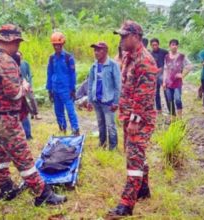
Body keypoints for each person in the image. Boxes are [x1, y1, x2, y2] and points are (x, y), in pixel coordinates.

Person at [0, 24, 67, 205]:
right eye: (18, 42)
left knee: (0, 153)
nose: (19, 46)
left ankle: (5, 187)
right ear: (10, 41)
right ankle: (42, 193)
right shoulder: (5, 60)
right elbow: (13, 92)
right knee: (23, 156)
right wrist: (24, 87)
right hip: (6, 117)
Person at [108, 20, 158, 217]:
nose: (120, 40)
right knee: (135, 154)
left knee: (133, 160)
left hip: (139, 119)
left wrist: (135, 121)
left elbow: (144, 95)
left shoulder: (145, 61)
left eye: (124, 36)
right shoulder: (129, 57)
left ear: (136, 37)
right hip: (128, 115)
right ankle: (143, 189)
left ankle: (126, 204)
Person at [86, 42, 121, 150]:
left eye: (99, 50)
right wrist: (89, 100)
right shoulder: (94, 66)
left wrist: (115, 102)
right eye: (95, 50)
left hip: (108, 101)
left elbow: (118, 85)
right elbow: (90, 83)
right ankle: (102, 143)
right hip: (97, 100)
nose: (96, 52)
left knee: (110, 125)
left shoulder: (113, 65)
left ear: (105, 51)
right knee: (100, 124)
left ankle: (113, 147)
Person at [46, 32, 80, 135]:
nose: (56, 47)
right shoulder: (52, 58)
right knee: (58, 111)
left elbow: (72, 74)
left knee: (70, 110)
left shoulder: (68, 57)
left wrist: (73, 89)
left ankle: (75, 129)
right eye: (54, 45)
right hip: (55, 89)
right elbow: (49, 73)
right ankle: (62, 128)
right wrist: (49, 89)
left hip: (66, 89)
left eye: (58, 45)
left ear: (62, 44)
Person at [163, 39, 192, 121]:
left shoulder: (182, 56)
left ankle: (180, 118)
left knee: (178, 99)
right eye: (172, 44)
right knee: (170, 100)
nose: (174, 46)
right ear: (169, 46)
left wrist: (182, 75)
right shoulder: (166, 57)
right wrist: (164, 82)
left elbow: (190, 66)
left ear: (177, 46)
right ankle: (173, 117)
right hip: (168, 82)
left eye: (176, 44)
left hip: (177, 83)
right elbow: (165, 69)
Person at [150, 38, 169, 114]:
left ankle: (170, 108)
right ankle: (159, 109)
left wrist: (163, 68)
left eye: (156, 45)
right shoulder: (150, 54)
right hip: (155, 75)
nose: (155, 46)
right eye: (153, 45)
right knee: (156, 93)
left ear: (158, 44)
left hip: (164, 75)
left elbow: (169, 62)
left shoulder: (164, 52)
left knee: (166, 92)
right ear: (151, 46)